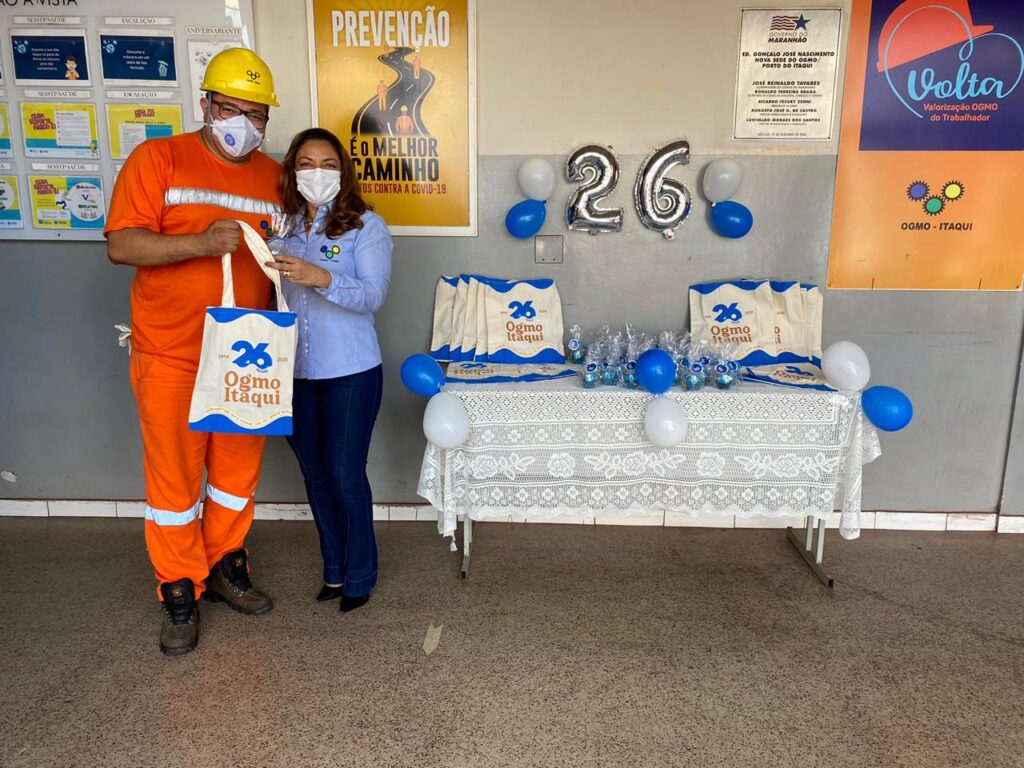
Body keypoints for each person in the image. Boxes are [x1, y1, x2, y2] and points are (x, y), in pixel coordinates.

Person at [105, 48, 283, 656]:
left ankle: (226, 564)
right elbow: (122, 246)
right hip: (171, 353)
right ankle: (179, 587)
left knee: (236, 474)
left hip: (247, 357)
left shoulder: (274, 178)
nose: (242, 123)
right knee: (175, 480)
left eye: (255, 114)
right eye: (230, 108)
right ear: (205, 104)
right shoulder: (158, 159)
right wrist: (201, 244)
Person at [266, 128, 392, 613]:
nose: (316, 173)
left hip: (350, 371)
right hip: (294, 372)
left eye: (327, 164)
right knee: (315, 476)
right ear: (292, 171)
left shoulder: (366, 226)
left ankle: (360, 573)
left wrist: (322, 277)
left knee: (344, 475)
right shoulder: (281, 228)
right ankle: (334, 569)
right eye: (305, 163)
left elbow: (373, 295)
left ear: (343, 171)